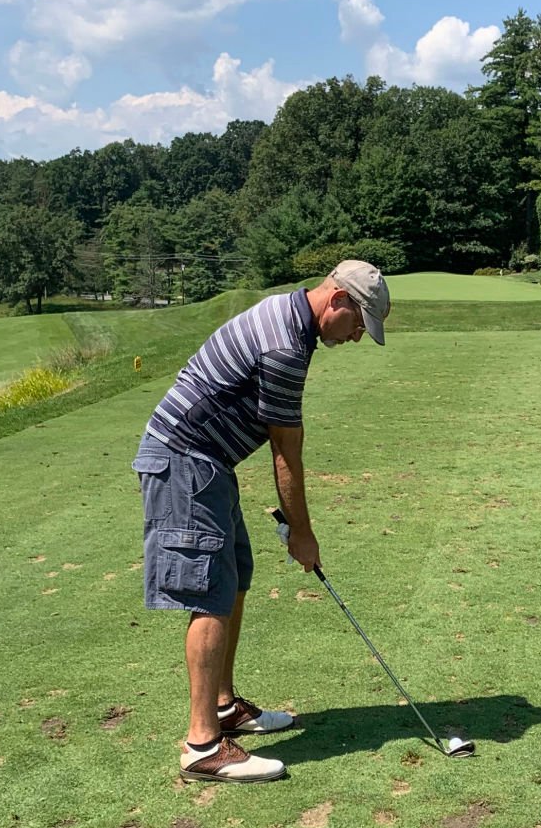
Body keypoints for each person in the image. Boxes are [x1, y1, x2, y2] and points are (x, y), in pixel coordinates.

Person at [133, 260, 391, 784]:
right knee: (209, 592)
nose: (358, 336)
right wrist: (302, 533)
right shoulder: (285, 345)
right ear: (337, 299)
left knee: (234, 580)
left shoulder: (291, 321)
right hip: (184, 460)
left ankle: (224, 707)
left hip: (208, 463)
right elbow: (285, 451)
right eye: (359, 323)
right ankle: (203, 745)